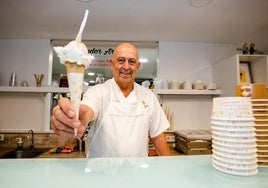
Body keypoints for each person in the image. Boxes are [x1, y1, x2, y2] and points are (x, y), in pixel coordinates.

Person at [51, 43, 171, 158]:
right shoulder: (97, 92)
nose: (126, 66)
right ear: (111, 64)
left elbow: (158, 136)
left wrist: (168, 170)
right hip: (100, 173)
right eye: (121, 60)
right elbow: (87, 110)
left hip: (136, 174)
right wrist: (78, 117)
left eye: (132, 62)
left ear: (138, 67)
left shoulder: (149, 96)